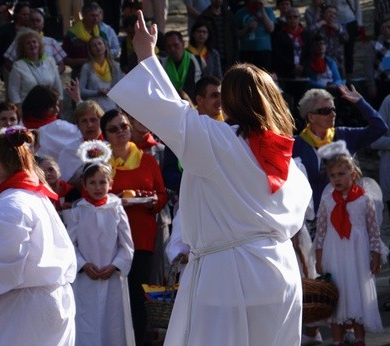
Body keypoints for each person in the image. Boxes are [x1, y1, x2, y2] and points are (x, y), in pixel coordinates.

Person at [108, 11, 312, 345]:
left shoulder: (216, 140)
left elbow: (167, 110)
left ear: (230, 102)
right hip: (280, 274)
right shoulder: (286, 156)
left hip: (229, 276)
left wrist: (146, 54)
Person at [0, 126, 76, 345]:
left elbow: (7, 266)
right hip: (41, 304)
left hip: (24, 310)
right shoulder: (30, 196)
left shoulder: (13, 204)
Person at [100, 109, 167, 345]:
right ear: (105, 135)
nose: (121, 132)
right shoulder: (102, 165)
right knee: (116, 296)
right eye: (114, 129)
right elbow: (94, 195)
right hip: (111, 239)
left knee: (139, 296)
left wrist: (151, 201)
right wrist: (115, 198)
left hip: (142, 235)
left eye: (124, 126)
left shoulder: (147, 160)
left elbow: (161, 195)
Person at [64, 142, 134, 345]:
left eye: (102, 182)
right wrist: (83, 265)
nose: (97, 187)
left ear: (110, 183)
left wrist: (115, 266)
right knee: (87, 323)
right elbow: (70, 245)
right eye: (92, 182)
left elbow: (126, 245)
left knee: (113, 323)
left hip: (112, 278)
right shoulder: (78, 212)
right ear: (84, 185)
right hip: (86, 279)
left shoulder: (116, 209)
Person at [314, 141, 384, 345]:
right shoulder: (327, 201)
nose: (336, 179)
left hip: (357, 256)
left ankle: (360, 338)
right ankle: (337, 341)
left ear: (353, 175)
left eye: (341, 174)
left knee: (356, 297)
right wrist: (319, 258)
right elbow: (321, 232)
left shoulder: (364, 200)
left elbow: (373, 231)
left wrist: (376, 254)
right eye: (333, 175)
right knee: (337, 299)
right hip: (334, 256)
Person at [294, 87, 387, 214]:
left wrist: (360, 102)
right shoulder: (297, 144)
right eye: (326, 110)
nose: (333, 114)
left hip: (348, 213)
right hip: (314, 216)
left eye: (333, 109)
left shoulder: (344, 135)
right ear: (311, 117)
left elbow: (380, 128)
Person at [21, 85, 81, 159]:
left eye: (57, 105)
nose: (57, 110)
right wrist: (79, 102)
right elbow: (84, 132)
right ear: (40, 107)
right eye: (52, 107)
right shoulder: (58, 127)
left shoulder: (20, 126)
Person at [7, 29, 63, 106]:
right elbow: (13, 91)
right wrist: (18, 109)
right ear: (23, 48)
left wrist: (59, 103)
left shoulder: (50, 61)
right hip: (28, 108)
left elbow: (57, 85)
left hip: (49, 106)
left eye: (34, 42)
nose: (32, 45)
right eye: (28, 43)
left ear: (39, 44)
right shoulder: (18, 66)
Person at [58, 99, 105, 187]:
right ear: (78, 125)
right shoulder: (69, 151)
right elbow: (63, 184)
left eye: (93, 120)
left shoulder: (113, 145)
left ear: (101, 122)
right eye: (84, 121)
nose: (89, 125)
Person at [3, 9, 67, 74]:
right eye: (32, 21)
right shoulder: (19, 41)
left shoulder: (51, 42)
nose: (35, 23)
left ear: (43, 24)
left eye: (38, 21)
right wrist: (20, 75)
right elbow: (7, 63)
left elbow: (62, 65)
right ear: (27, 24)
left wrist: (52, 76)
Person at [79, 36, 124, 112]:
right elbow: (81, 90)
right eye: (94, 45)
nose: (98, 47)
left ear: (105, 46)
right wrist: (97, 92)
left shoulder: (115, 66)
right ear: (91, 50)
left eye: (100, 44)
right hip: (94, 107)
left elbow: (119, 88)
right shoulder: (87, 67)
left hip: (111, 106)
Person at [234, 0, 276, 71]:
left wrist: (262, 10)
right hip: (247, 51)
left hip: (264, 51)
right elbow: (236, 34)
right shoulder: (240, 13)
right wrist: (247, 27)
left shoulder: (268, 10)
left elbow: (271, 28)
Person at [199, 0, 239, 73]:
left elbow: (235, 37)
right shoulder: (204, 16)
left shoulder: (228, 15)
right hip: (212, 59)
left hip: (229, 58)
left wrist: (235, 57)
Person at [162, 31, 203, 101]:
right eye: (169, 46)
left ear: (183, 44)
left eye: (175, 45)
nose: (172, 49)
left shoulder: (198, 60)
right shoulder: (161, 64)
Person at [271, 8, 311, 79]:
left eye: (295, 17)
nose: (292, 19)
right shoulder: (279, 35)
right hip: (286, 73)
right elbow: (279, 54)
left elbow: (310, 53)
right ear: (286, 19)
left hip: (303, 73)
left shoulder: (306, 34)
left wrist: (302, 67)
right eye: (289, 17)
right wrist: (293, 67)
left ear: (299, 18)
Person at [312, 5, 349, 77]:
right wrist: (319, 24)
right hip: (321, 61)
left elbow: (346, 39)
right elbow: (309, 34)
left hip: (337, 61)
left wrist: (338, 30)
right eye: (329, 12)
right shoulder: (318, 25)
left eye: (334, 13)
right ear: (323, 14)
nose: (332, 15)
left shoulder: (339, 26)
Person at [366, 17, 390, 109]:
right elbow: (368, 65)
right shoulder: (374, 45)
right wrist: (371, 84)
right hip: (381, 83)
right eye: (387, 27)